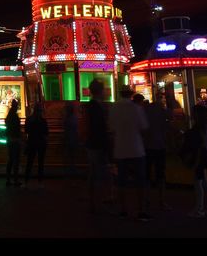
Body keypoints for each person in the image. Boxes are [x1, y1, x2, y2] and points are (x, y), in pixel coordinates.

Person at [108, 86, 150, 221]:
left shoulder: (114, 108)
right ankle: (141, 211)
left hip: (120, 149)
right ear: (131, 95)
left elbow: (111, 127)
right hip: (136, 149)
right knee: (140, 182)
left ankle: (123, 210)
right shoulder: (136, 108)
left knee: (121, 182)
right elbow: (144, 127)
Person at [181, 104, 207, 217]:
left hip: (200, 159)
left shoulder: (200, 128)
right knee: (205, 183)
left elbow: (198, 144)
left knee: (198, 184)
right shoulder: (206, 127)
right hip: (204, 158)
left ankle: (199, 209)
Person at [142, 98, 172, 212]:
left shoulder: (145, 113)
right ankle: (161, 201)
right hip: (160, 147)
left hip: (148, 147)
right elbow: (168, 128)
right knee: (160, 175)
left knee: (147, 175)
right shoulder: (162, 115)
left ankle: (147, 199)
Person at [84, 79, 110, 214]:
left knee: (94, 172)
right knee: (97, 172)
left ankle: (93, 200)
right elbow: (97, 126)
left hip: (93, 143)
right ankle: (97, 201)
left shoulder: (91, 106)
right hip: (97, 143)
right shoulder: (96, 106)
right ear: (100, 91)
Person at [24, 103, 49, 189]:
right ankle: (40, 182)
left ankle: (26, 181)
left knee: (29, 162)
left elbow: (26, 131)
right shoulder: (43, 121)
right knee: (40, 163)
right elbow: (46, 134)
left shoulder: (29, 120)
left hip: (32, 142)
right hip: (41, 143)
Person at [4, 98, 22, 187]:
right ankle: (15, 179)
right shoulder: (14, 116)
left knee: (10, 160)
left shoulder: (9, 115)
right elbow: (17, 129)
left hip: (10, 139)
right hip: (15, 140)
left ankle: (8, 179)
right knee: (15, 160)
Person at [62, 102, 80, 178]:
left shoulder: (67, 118)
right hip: (73, 137)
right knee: (72, 154)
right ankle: (72, 167)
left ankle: (69, 167)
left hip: (69, 137)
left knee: (69, 154)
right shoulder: (74, 118)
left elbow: (66, 127)